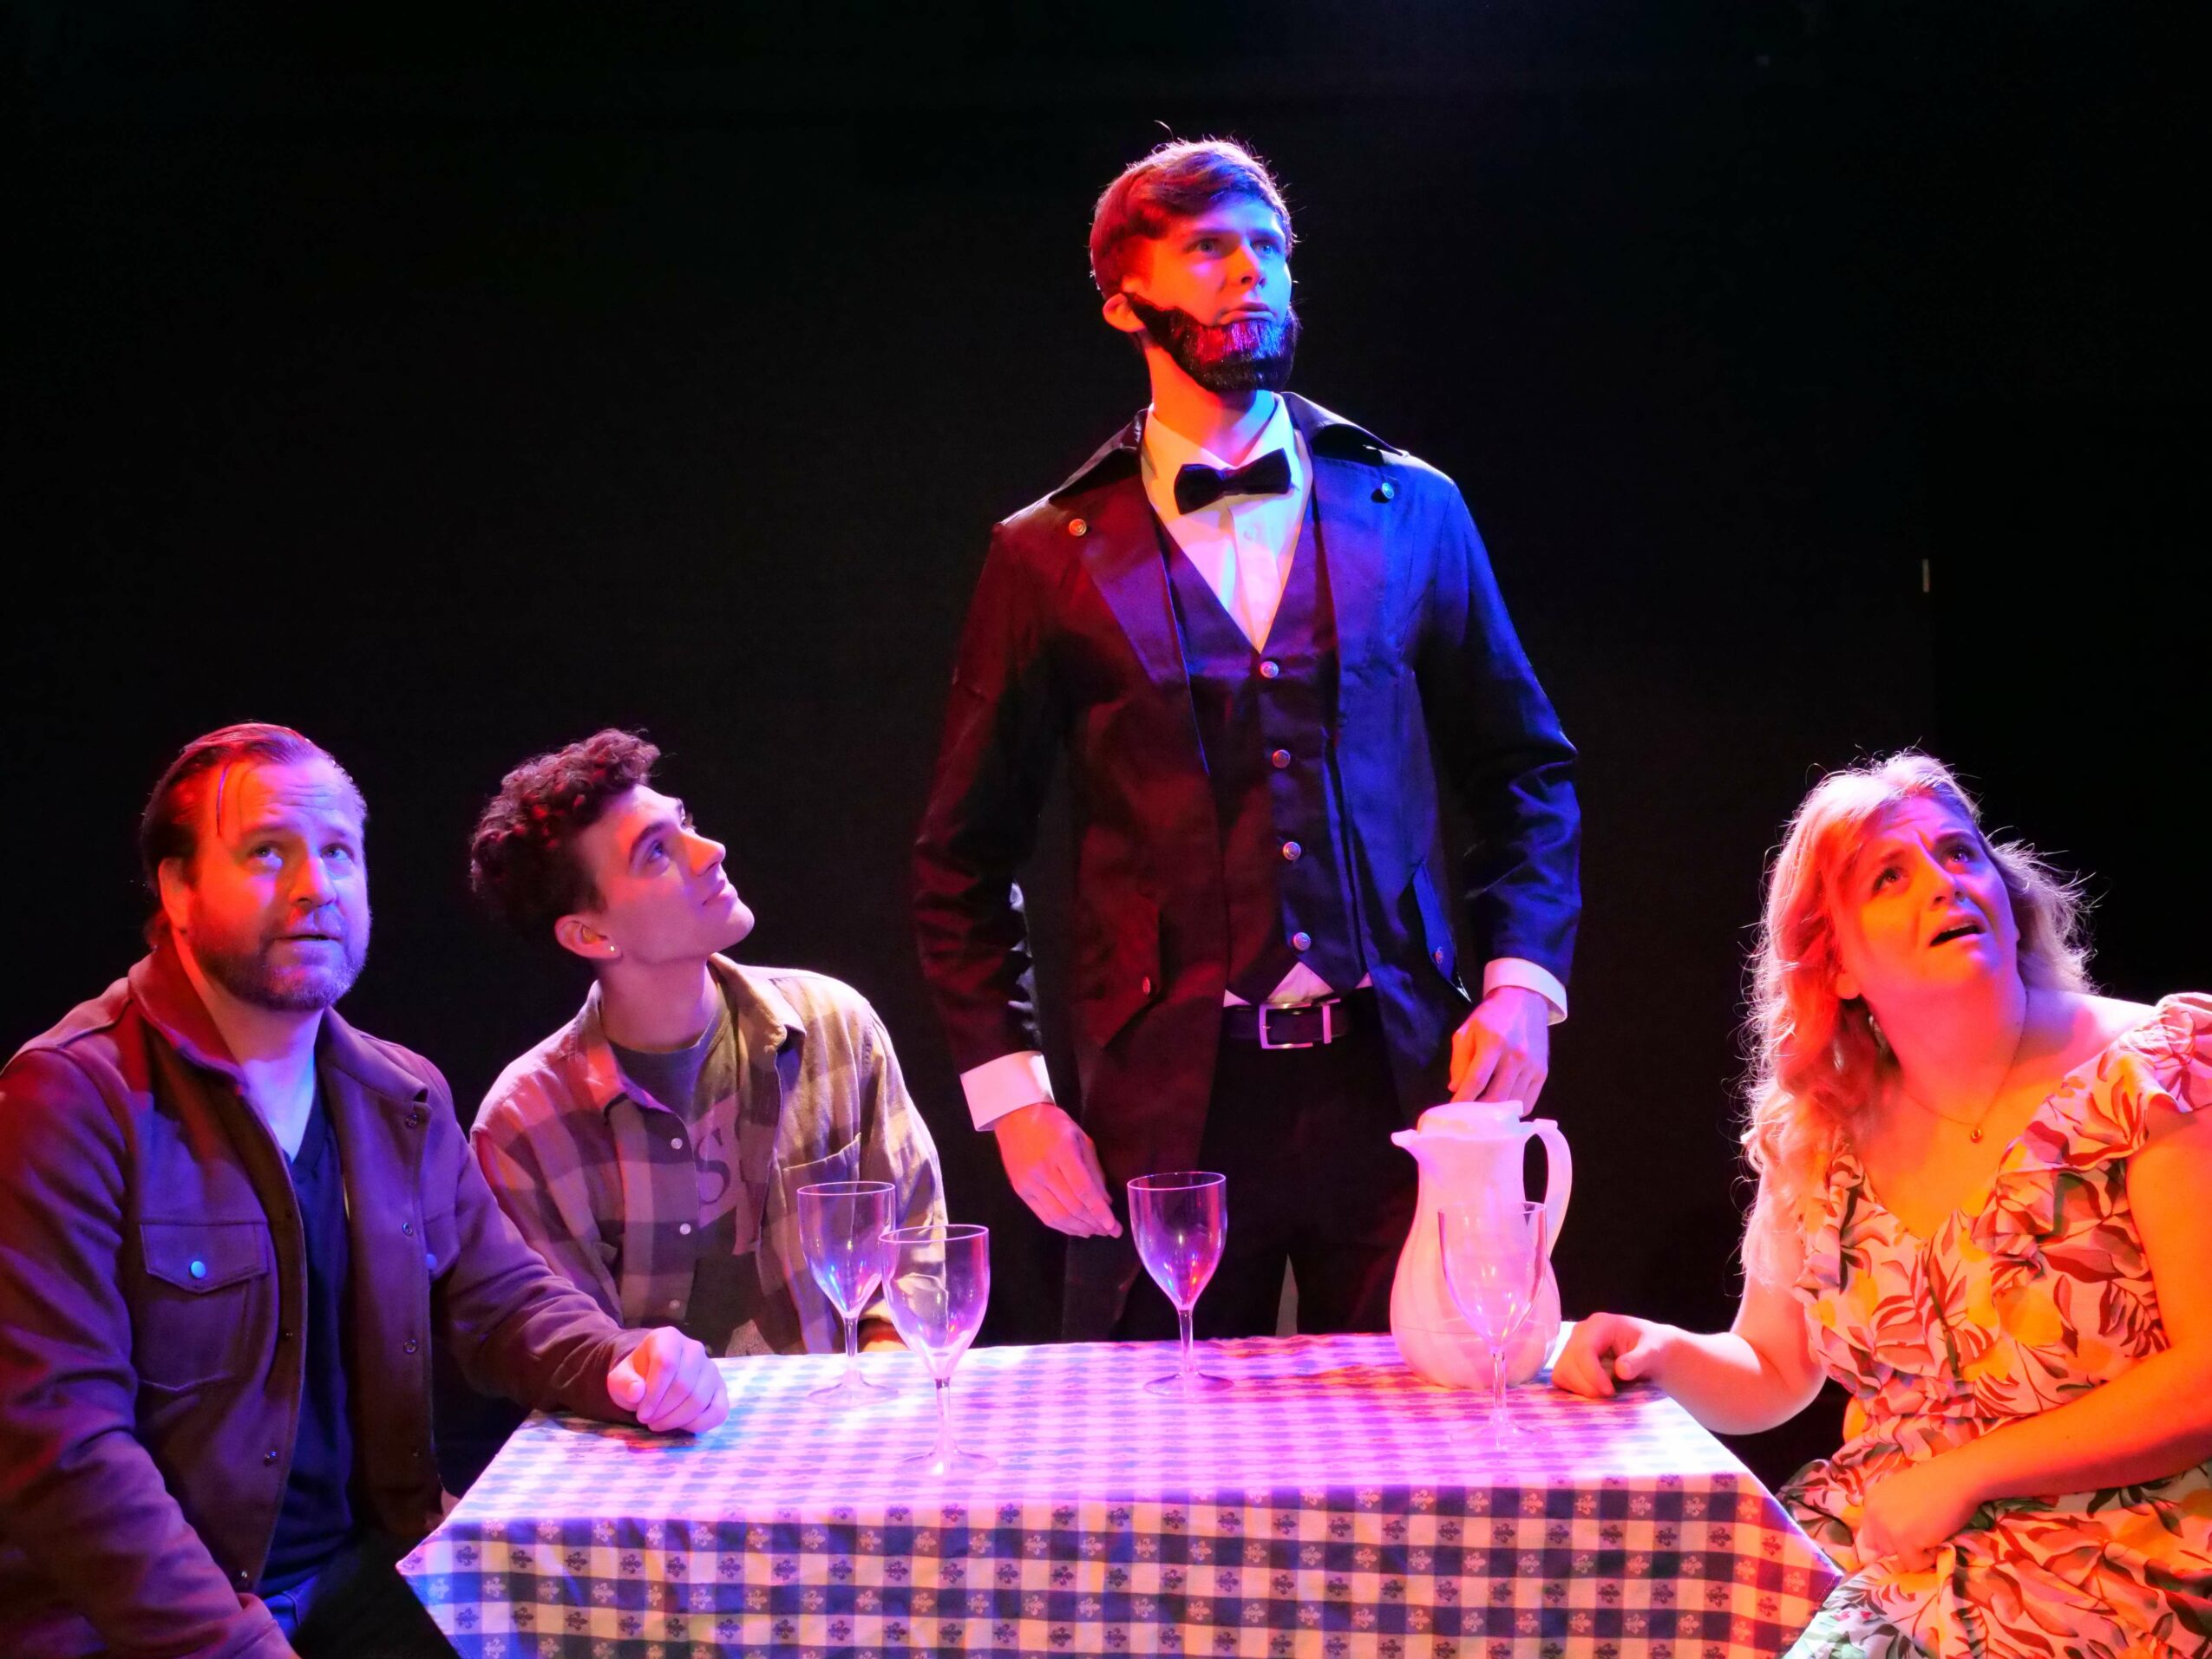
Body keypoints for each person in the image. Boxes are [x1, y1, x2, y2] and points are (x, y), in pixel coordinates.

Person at [913, 138, 1580, 1340]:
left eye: (1267, 247)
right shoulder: (1043, 552)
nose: (1251, 274)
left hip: (1398, 1081)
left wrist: (1522, 982)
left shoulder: (1408, 505)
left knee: (1421, 1457)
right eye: (1208, 248)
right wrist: (1013, 1098)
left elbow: (1522, 769)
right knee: (1161, 1471)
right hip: (1170, 1100)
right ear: (1124, 299)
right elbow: (960, 857)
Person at [0, 723, 727, 1659]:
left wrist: (619, 1360)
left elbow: (500, 1297)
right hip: (132, 1626)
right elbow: (65, 1449)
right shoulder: (69, 1097)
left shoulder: (400, 1094)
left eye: (339, 851)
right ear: (177, 890)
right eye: (268, 852)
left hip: (357, 1576)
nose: (315, 886)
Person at [1553, 753, 2212, 1657]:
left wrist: (1971, 1472)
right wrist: (1663, 1350)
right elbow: (1775, 1363)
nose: (1943, 885)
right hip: (1894, 1550)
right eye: (1890, 877)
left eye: (1958, 853)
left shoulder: (2155, 1070)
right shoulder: (1823, 1136)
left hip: (2126, 1557)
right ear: (1838, 964)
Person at [468, 728, 943, 1360]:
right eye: (656, 852)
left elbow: (919, 1245)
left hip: (845, 1422)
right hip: (651, 1448)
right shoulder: (526, 1125)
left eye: (685, 821)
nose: (711, 850)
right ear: (588, 935)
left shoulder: (834, 1024)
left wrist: (880, 1381)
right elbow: (565, 1355)